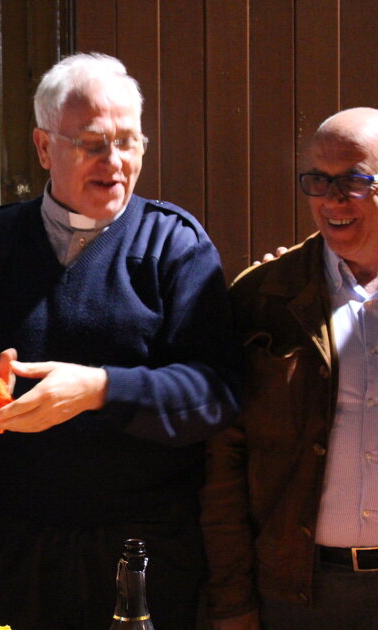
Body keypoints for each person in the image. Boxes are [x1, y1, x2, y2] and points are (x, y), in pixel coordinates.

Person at [0, 52, 240, 630]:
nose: (114, 162)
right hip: (15, 542)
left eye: (128, 142)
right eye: (92, 144)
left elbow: (215, 392)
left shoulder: (175, 245)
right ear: (43, 147)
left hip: (142, 548)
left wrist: (100, 389)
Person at [200, 107, 378, 629]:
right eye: (318, 180)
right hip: (299, 592)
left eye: (353, 181)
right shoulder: (265, 297)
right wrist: (233, 603)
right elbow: (223, 464)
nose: (331, 200)